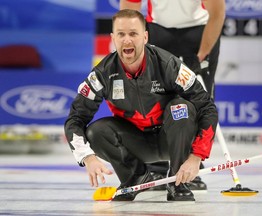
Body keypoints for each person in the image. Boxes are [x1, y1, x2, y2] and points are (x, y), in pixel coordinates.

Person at [64, 9, 218, 202]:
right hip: (137, 142)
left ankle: (177, 182)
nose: (127, 40)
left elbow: (207, 108)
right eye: (121, 34)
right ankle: (134, 176)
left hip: (172, 139)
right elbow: (75, 120)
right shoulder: (102, 74)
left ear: (145, 37)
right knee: (96, 132)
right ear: (113, 38)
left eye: (133, 34)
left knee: (181, 108)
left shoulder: (168, 64)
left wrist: (196, 157)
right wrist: (87, 157)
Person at [120, 0, 226, 190]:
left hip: (199, 32)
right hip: (159, 31)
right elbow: (128, 13)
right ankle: (156, 166)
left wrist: (201, 55)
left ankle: (191, 167)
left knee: (198, 100)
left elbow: (217, 13)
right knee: (153, 96)